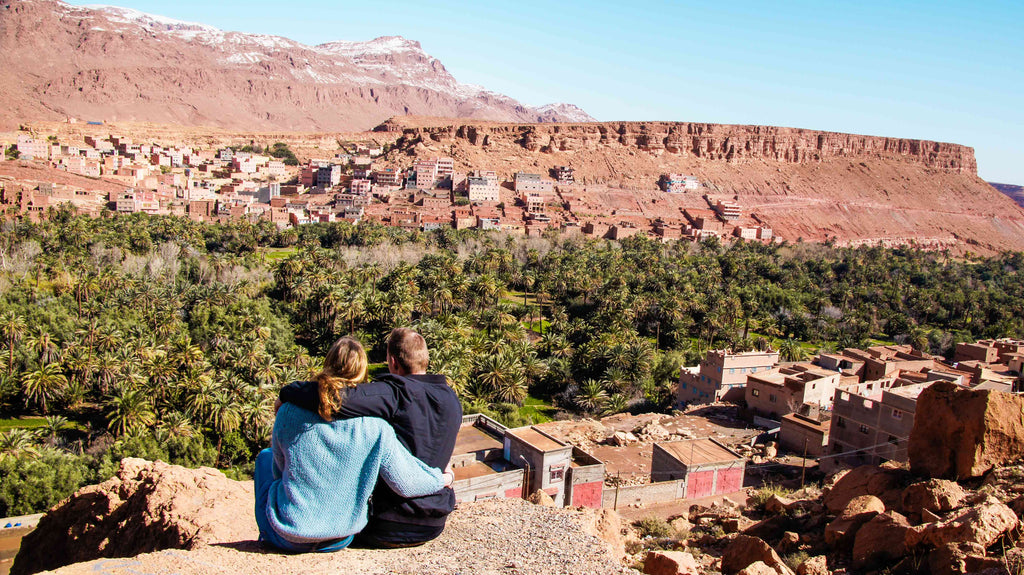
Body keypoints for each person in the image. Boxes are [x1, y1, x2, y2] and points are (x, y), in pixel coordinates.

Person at [255, 337, 454, 553]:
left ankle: (270, 531)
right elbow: (405, 480)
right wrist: (443, 478)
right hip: (341, 537)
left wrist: (288, 392)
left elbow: (280, 467)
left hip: (289, 534)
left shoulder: (289, 412)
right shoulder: (378, 426)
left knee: (266, 457)